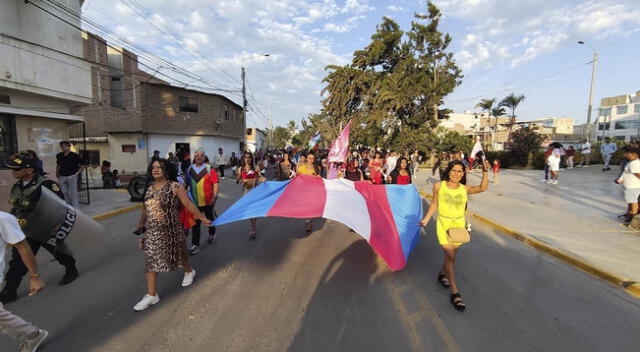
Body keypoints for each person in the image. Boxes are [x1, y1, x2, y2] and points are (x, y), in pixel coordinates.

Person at [133, 158, 211, 311]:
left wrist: (201, 217)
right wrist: (141, 224)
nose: (155, 170)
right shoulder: (149, 188)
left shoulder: (175, 187)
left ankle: (189, 271)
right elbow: (145, 208)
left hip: (172, 229)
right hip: (154, 231)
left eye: (159, 167)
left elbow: (188, 204)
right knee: (151, 261)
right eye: (153, 167)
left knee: (180, 253)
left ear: (166, 170)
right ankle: (151, 295)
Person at [1, 153, 79, 304]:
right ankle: (9, 290)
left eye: (17, 169)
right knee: (18, 260)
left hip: (45, 228)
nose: (13, 172)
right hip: (25, 229)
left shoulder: (46, 184)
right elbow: (16, 208)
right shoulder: (17, 186)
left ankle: (71, 269)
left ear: (29, 170)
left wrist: (57, 225)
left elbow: (59, 205)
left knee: (58, 251)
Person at [419, 158, 490, 312]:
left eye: (459, 171)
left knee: (452, 256)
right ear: (448, 171)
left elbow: (483, 187)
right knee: (450, 255)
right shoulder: (439, 186)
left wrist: (485, 171)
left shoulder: (464, 189)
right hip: (443, 224)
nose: (456, 174)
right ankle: (454, 292)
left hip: (459, 224)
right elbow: (434, 204)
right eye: (453, 170)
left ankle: (441, 273)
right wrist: (425, 218)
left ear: (463, 173)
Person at [0, 211, 48, 351]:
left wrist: (35, 276)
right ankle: (32, 335)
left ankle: (32, 335)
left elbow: (23, 247)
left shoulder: (4, 219)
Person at [185, 148, 219, 255]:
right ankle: (195, 245)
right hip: (194, 203)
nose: (199, 157)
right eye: (197, 155)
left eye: (201, 155)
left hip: (208, 202)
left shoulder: (209, 169)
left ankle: (212, 233)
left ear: (204, 157)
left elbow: (215, 184)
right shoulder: (189, 169)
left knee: (210, 220)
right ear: (194, 157)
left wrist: (214, 197)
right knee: (195, 224)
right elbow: (186, 185)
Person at [56, 141, 86, 209]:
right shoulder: (59, 155)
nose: (63, 147)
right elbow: (58, 164)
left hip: (72, 176)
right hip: (62, 176)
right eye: (62, 146)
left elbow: (83, 165)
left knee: (73, 193)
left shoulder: (75, 155)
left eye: (65, 146)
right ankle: (68, 207)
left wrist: (77, 173)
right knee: (63, 192)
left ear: (69, 146)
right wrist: (57, 172)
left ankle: (76, 209)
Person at [237, 153, 260, 239]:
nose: (247, 159)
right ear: (243, 159)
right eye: (246, 157)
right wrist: (239, 180)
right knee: (249, 211)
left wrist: (262, 179)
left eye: (249, 157)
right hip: (246, 192)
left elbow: (259, 178)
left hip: (254, 192)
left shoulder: (256, 168)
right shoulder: (241, 169)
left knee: (253, 210)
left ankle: (253, 228)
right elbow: (238, 179)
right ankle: (252, 224)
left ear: (251, 159)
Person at [296, 152, 320, 233]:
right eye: (309, 158)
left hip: (313, 190)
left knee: (311, 206)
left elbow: (318, 178)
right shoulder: (301, 167)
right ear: (306, 158)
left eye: (313, 158)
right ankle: (308, 221)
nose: (311, 160)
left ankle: (309, 221)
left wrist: (317, 177)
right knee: (307, 207)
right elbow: (297, 177)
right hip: (304, 190)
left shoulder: (316, 168)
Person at [616, 147, 640, 225]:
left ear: (634, 154)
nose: (626, 154)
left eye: (628, 153)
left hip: (633, 186)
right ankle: (629, 214)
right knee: (630, 201)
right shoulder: (631, 162)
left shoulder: (634, 163)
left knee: (633, 201)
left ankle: (632, 216)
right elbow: (626, 173)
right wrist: (621, 179)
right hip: (629, 185)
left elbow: (638, 174)